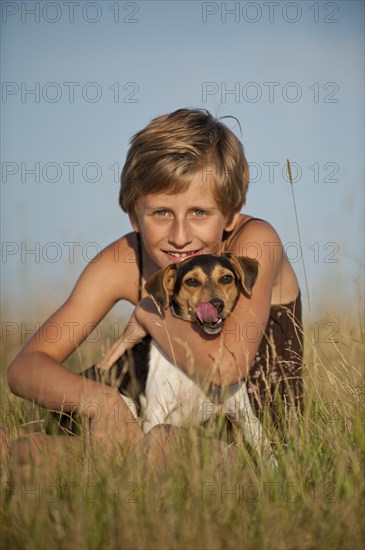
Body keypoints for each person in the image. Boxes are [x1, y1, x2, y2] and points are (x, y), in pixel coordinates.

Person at [6, 108, 303, 462]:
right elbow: (26, 367)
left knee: (160, 446)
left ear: (231, 213)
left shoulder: (254, 242)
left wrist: (150, 313)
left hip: (251, 444)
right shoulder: (125, 260)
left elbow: (227, 368)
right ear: (135, 215)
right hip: (142, 426)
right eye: (161, 213)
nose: (180, 237)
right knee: (14, 449)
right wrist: (103, 404)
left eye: (199, 213)